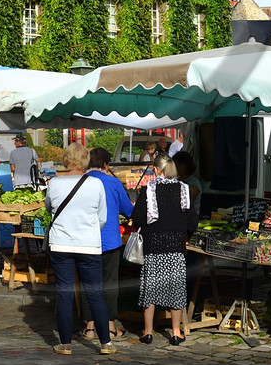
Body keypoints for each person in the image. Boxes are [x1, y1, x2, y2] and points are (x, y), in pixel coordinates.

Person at [44, 143, 113, 356]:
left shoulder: (54, 183)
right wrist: (88, 230)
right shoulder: (96, 184)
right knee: (95, 293)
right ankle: (105, 343)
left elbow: (49, 208)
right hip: (88, 244)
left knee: (64, 294)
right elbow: (102, 218)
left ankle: (65, 344)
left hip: (61, 243)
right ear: (85, 161)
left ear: (66, 160)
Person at [131, 155, 198, 345]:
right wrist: (184, 236)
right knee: (175, 289)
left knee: (150, 289)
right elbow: (193, 220)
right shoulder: (184, 189)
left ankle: (148, 331)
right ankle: (176, 332)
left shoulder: (149, 190)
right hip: (176, 246)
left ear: (157, 170)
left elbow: (137, 218)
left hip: (153, 246)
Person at [84, 147, 134, 339]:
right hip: (110, 240)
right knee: (109, 284)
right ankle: (111, 326)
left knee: (88, 283)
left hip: (86, 241)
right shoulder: (113, 182)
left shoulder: (82, 181)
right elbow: (128, 210)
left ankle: (89, 327)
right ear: (106, 164)